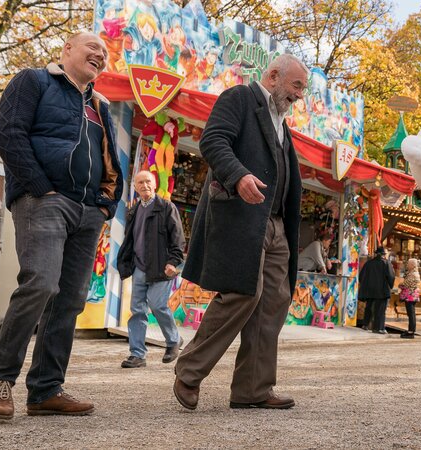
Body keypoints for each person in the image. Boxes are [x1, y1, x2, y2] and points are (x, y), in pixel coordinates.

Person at [0, 32, 123, 420]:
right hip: (43, 200)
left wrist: (105, 205)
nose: (100, 55)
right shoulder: (34, 80)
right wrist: (40, 187)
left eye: (105, 53)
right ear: (67, 49)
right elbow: (7, 134)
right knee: (41, 283)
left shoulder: (100, 104)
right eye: (93, 47)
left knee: (71, 299)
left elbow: (111, 159)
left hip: (88, 211)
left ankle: (45, 390)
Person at [174, 54, 308, 411]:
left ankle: (252, 389)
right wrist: (239, 176)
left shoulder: (281, 122)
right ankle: (189, 371)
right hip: (242, 217)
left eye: (302, 89)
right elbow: (213, 141)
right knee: (242, 294)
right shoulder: (239, 98)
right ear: (274, 75)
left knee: (273, 303)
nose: (299, 95)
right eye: (296, 85)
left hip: (276, 224)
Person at [117, 171, 186, 369]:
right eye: (140, 182)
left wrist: (173, 262)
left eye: (148, 181)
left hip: (162, 267)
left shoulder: (166, 207)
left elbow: (178, 238)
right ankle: (137, 354)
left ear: (154, 184)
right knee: (137, 311)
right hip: (139, 267)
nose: (144, 185)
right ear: (135, 187)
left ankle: (173, 340)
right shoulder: (133, 210)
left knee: (157, 305)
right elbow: (130, 240)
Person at [358, 247, 395, 334]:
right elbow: (391, 276)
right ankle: (378, 328)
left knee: (369, 307)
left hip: (369, 290)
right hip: (382, 291)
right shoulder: (386, 263)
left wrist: (365, 285)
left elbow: (361, 276)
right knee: (380, 310)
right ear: (383, 255)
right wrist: (391, 286)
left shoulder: (368, 263)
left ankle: (365, 324)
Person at [399, 258, 421, 338]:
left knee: (411, 314)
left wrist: (400, 285)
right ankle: (411, 330)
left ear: (412, 265)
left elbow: (405, 284)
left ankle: (411, 332)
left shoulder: (413, 274)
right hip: (412, 296)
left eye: (408, 264)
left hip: (410, 296)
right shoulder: (413, 273)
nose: (407, 265)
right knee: (411, 314)